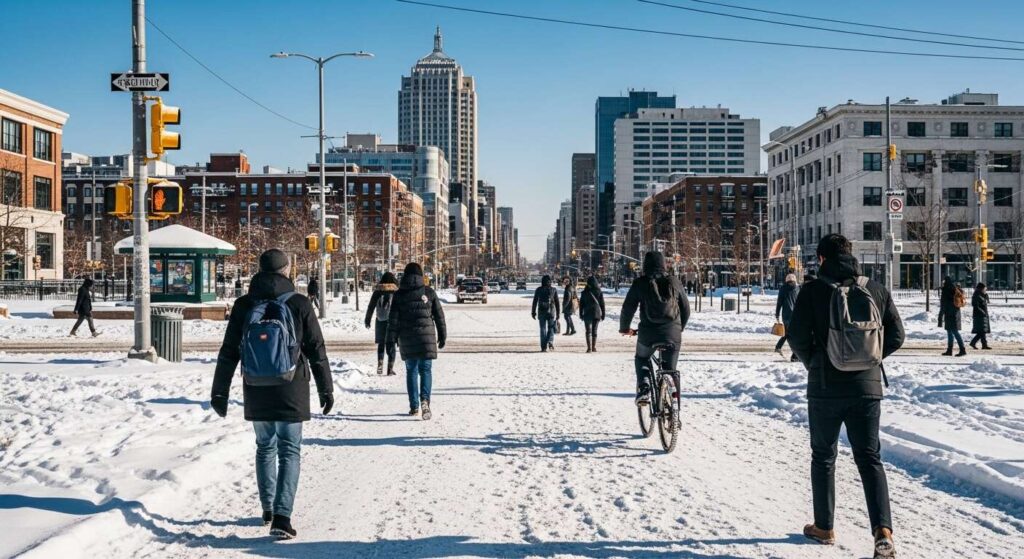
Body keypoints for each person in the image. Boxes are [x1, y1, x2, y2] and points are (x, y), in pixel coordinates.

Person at [787, 234, 904, 559]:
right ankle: (883, 532)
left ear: (822, 259)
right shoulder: (876, 289)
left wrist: (816, 363)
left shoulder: (812, 290)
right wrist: (871, 359)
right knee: (869, 459)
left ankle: (824, 527)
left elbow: (796, 335)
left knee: (824, 456)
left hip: (824, 388)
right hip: (867, 389)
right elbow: (897, 334)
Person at [210, 249, 333, 540]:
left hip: (255, 384)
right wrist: (325, 388)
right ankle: (282, 516)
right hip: (291, 385)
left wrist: (219, 392)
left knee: (264, 446)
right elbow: (316, 349)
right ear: (286, 270)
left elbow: (229, 351)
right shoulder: (300, 303)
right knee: (289, 450)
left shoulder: (243, 304)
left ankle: (267, 508)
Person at [619, 252, 690, 404]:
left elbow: (628, 308)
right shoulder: (675, 282)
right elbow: (686, 309)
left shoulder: (640, 283)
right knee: (670, 370)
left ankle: (645, 387)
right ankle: (675, 407)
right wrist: (679, 328)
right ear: (664, 264)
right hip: (673, 333)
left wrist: (625, 328)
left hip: (648, 333)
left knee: (642, 358)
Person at [386, 262, 447, 419]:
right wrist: (442, 334)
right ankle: (425, 400)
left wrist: (390, 341)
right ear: (421, 275)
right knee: (425, 370)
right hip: (426, 338)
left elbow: (393, 321)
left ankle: (414, 406)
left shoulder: (399, 295)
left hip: (407, 339)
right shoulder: (429, 292)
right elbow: (439, 316)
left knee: (411, 370)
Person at [365, 272, 399, 375]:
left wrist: (367, 320)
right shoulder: (396, 291)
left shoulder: (377, 291)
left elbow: (371, 306)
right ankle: (390, 368)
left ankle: (380, 363)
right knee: (391, 344)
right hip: (393, 321)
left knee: (381, 343)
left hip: (380, 320)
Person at [938, 276, 967, 356]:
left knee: (953, 332)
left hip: (949, 314)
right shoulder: (955, 289)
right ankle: (950, 350)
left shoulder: (946, 290)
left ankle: (962, 349)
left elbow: (943, 305)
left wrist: (940, 318)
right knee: (951, 332)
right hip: (956, 313)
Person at [531, 275, 560, 351]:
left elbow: (535, 301)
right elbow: (557, 302)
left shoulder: (538, 290)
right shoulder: (553, 290)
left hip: (541, 311)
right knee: (551, 328)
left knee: (542, 329)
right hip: (551, 311)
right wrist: (558, 313)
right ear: (550, 281)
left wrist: (533, 312)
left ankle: (543, 347)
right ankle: (550, 341)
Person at [774, 273, 800, 359]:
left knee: (788, 333)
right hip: (796, 316)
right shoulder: (798, 289)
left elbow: (779, 302)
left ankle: (779, 347)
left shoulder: (783, 289)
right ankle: (795, 355)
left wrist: (777, 314)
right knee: (794, 335)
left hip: (786, 315)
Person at [579, 275, 605, 353]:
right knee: (594, 331)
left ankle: (589, 348)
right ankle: (594, 347)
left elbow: (581, 305)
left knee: (588, 331)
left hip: (587, 313)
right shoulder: (599, 291)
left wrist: (581, 314)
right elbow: (602, 304)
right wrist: (603, 314)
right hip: (596, 313)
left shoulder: (584, 292)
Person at [970, 282, 991, 350]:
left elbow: (986, 302)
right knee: (981, 331)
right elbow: (975, 305)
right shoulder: (976, 295)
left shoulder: (982, 295)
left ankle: (984, 345)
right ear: (981, 288)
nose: (985, 289)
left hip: (983, 315)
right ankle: (974, 343)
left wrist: (985, 295)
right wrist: (982, 312)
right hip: (979, 315)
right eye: (984, 288)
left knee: (982, 331)